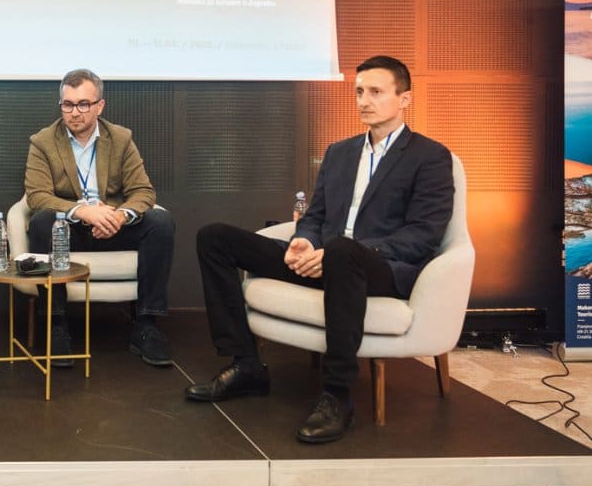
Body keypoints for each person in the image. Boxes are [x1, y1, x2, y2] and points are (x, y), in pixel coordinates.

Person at [186, 55, 455, 444]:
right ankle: (246, 364)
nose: (364, 100)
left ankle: (337, 395)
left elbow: (423, 235)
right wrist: (306, 241)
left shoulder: (429, 157)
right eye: (359, 92)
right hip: (323, 260)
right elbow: (315, 215)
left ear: (404, 99)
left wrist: (338, 251)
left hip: (379, 267)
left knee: (344, 251)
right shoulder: (340, 152)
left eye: (376, 92)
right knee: (215, 237)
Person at [23, 69, 176, 368]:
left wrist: (119, 217)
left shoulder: (120, 138)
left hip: (114, 228)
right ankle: (57, 325)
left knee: (161, 223)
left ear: (100, 106)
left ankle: (146, 326)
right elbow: (37, 196)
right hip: (71, 230)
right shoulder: (43, 142)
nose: (74, 112)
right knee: (41, 222)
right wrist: (83, 211)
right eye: (68, 104)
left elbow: (143, 191)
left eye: (83, 104)